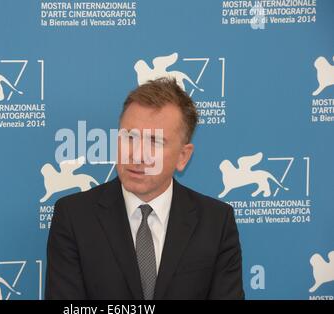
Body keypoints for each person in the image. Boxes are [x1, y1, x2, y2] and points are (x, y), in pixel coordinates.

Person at [45, 77, 244, 300]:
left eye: (154, 142)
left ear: (183, 156)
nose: (137, 155)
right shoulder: (74, 217)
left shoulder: (216, 222)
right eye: (129, 137)